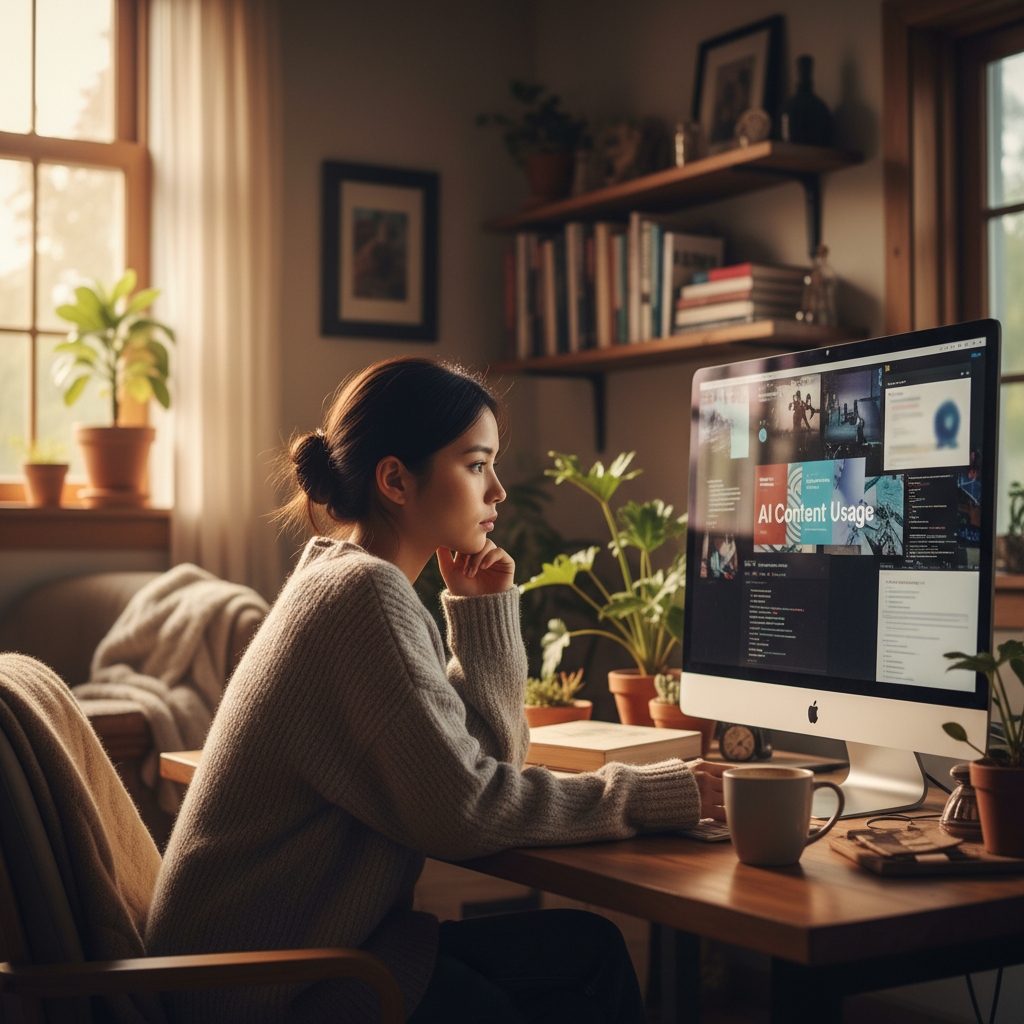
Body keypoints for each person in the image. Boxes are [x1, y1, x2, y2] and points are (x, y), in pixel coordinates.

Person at [145, 356, 729, 1024]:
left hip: (303, 960)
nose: (499, 491)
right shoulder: (360, 595)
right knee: (576, 977)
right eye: (477, 464)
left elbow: (481, 767)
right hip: (268, 989)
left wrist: (481, 609)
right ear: (395, 479)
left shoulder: (346, 580)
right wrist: (657, 791)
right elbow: (467, 811)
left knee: (589, 950)